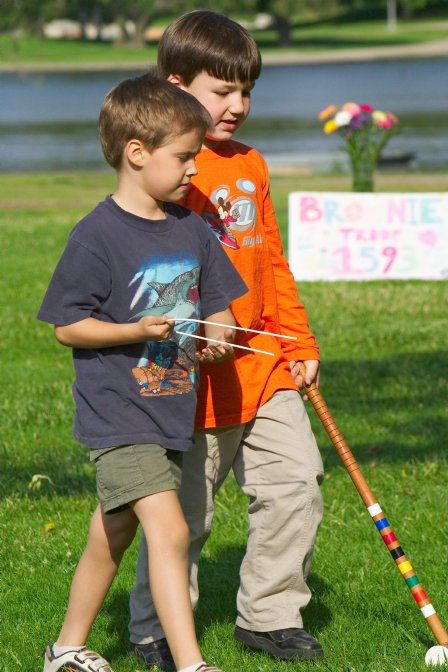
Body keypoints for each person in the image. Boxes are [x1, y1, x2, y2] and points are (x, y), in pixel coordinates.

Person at [128, 11, 325, 669]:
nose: (238, 106)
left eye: (247, 91)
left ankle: (269, 616)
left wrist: (298, 343)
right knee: (182, 516)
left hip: (263, 367)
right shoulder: (163, 167)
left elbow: (271, 259)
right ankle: (156, 629)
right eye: (222, 91)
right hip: (187, 377)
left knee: (296, 482)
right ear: (175, 83)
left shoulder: (253, 165)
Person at [37, 72, 248, 672]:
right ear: (136, 153)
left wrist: (220, 334)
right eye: (183, 158)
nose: (193, 171)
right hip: (119, 412)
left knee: (113, 533)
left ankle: (66, 647)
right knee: (171, 530)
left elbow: (219, 307)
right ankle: (191, 664)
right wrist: (134, 330)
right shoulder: (96, 236)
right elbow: (66, 326)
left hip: (170, 407)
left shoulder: (192, 230)